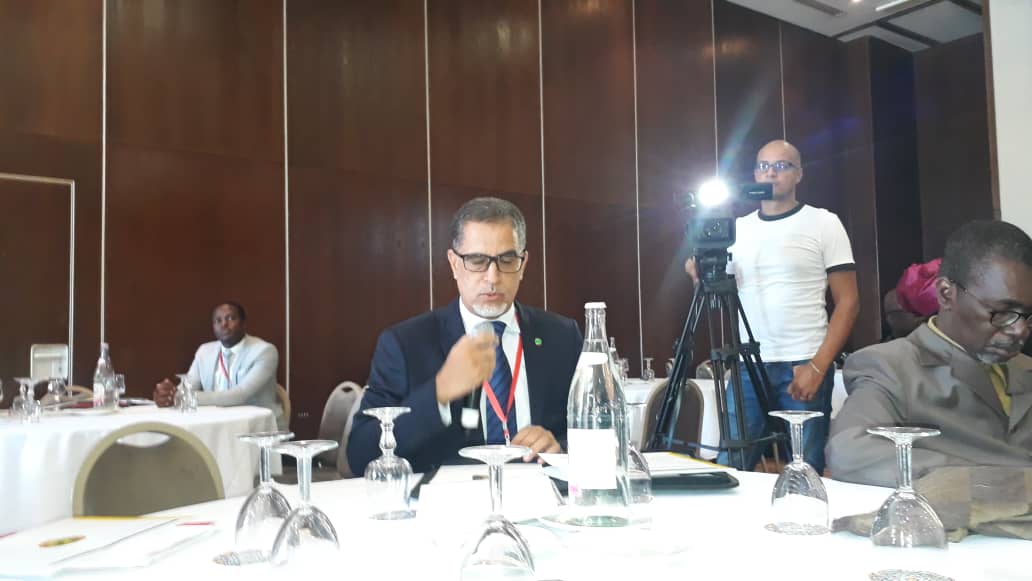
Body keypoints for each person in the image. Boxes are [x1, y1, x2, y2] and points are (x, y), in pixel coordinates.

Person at [346, 197, 582, 475]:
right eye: (477, 261)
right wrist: (439, 392)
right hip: (449, 499)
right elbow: (360, 454)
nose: (492, 277)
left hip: (540, 492)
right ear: (454, 264)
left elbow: (603, 431)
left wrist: (560, 448)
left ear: (523, 264)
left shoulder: (561, 337)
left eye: (507, 260)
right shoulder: (405, 344)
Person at [685, 140, 859, 473]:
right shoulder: (737, 229)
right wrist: (700, 274)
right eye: (763, 166)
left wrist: (819, 366)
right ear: (754, 174)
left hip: (803, 360)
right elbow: (718, 296)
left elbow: (849, 302)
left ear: (799, 174)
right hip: (748, 364)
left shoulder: (823, 222)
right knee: (732, 466)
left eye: (781, 166)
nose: (771, 173)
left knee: (804, 466)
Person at [827, 220, 1032, 487]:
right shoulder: (892, 367)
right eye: (1002, 312)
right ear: (946, 294)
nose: (1020, 330)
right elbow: (850, 452)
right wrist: (1003, 480)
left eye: (1028, 315)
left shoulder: (1024, 366)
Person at [153, 302, 284, 428]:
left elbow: (240, 395)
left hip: (258, 428)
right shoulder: (204, 351)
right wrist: (167, 395)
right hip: (215, 422)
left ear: (243, 323)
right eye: (218, 320)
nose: (224, 324)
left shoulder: (264, 351)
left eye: (230, 318)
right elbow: (189, 385)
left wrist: (182, 397)